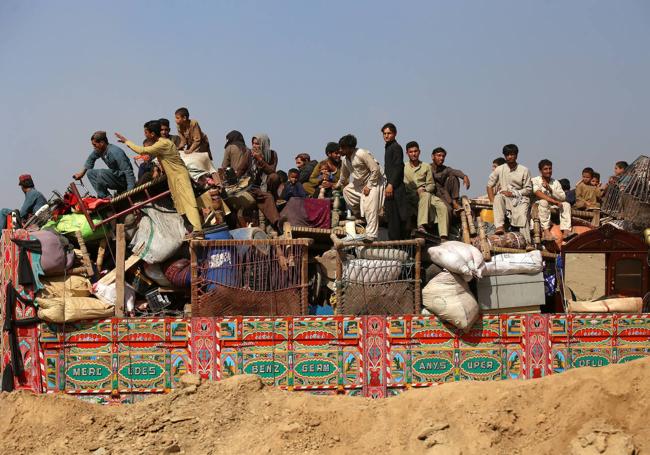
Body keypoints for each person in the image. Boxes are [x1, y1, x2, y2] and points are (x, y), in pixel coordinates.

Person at [115, 121, 203, 237]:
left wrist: (127, 141)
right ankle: (191, 228)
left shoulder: (163, 144)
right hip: (173, 177)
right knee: (179, 204)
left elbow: (142, 151)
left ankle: (198, 229)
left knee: (188, 202)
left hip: (179, 176)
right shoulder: (161, 143)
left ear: (152, 134)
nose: (144, 134)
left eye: (146, 132)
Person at [335, 134, 385, 242]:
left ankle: (371, 235)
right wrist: (336, 185)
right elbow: (344, 176)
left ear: (350, 147)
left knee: (370, 205)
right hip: (359, 184)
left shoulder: (361, 153)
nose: (340, 150)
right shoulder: (345, 160)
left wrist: (369, 186)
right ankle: (359, 213)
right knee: (347, 191)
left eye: (342, 147)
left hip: (375, 181)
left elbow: (375, 169)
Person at [403, 142, 449, 238]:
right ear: (407, 153)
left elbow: (431, 184)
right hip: (411, 195)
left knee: (442, 206)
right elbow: (404, 185)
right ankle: (421, 225)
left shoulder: (426, 166)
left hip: (426, 193)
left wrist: (424, 189)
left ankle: (443, 236)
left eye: (415, 151)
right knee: (425, 196)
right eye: (411, 152)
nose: (413, 154)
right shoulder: (403, 167)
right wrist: (417, 191)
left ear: (419, 152)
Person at [486, 144, 532, 236]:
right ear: (505, 156)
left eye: (512, 154)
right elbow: (489, 185)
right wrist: (492, 201)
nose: (510, 157)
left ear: (516, 155)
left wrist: (513, 193)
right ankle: (499, 226)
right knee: (498, 197)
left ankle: (526, 241)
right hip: (504, 198)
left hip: (520, 199)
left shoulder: (524, 170)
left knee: (522, 216)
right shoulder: (500, 169)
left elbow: (528, 189)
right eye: (507, 155)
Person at [73, 131, 136, 198]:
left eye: (95, 145)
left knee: (101, 173)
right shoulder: (100, 150)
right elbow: (90, 159)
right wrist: (81, 174)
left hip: (124, 180)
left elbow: (128, 172)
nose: (94, 147)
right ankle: (105, 197)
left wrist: (130, 191)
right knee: (90, 173)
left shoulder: (115, 152)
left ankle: (105, 196)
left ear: (102, 143)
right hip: (115, 177)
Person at [532, 159, 574, 241]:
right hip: (538, 206)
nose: (548, 171)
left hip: (554, 206)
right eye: (545, 169)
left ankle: (566, 231)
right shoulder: (535, 180)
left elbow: (563, 197)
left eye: (550, 168)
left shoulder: (555, 182)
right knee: (543, 202)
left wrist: (550, 189)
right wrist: (553, 201)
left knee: (566, 204)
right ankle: (546, 232)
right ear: (540, 171)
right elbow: (537, 192)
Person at [382, 122, 408, 240]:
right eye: (384, 134)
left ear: (395, 134)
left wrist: (391, 184)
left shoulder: (396, 147)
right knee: (391, 217)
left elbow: (398, 167)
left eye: (389, 133)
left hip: (396, 188)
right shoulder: (388, 147)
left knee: (396, 218)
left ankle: (397, 245)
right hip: (391, 186)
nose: (386, 136)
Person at [430, 147, 471, 213]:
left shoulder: (445, 169)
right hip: (435, 195)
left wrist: (464, 176)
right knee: (448, 209)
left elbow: (455, 171)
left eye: (443, 156)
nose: (441, 158)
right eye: (439, 155)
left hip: (445, 193)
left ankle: (455, 202)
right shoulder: (428, 168)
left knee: (453, 177)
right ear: (433, 156)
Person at [250, 133, 280, 198]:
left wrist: (260, 160)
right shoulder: (249, 154)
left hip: (266, 182)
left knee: (274, 177)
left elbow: (271, 171)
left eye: (257, 144)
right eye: (253, 143)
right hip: (252, 182)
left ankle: (271, 195)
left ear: (263, 144)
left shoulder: (272, 154)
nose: (254, 146)